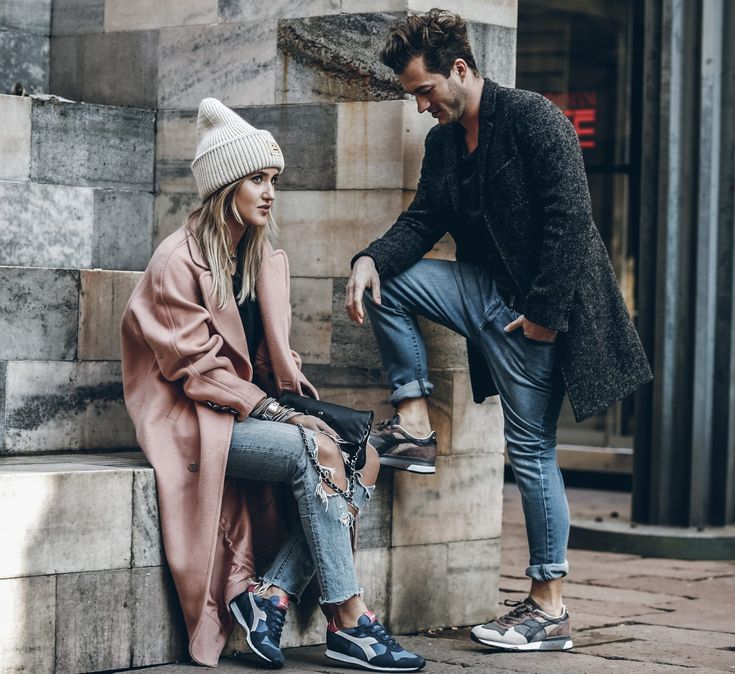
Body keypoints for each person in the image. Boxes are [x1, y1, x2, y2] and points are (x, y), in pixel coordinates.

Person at [345, 9, 652, 653]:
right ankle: (414, 422)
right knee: (386, 282)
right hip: (478, 292)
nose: (422, 107)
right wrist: (369, 258)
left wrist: (544, 316)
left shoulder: (534, 118)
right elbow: (423, 219)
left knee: (532, 451)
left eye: (425, 91)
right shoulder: (443, 144)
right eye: (414, 96)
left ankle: (548, 605)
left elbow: (571, 219)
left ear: (460, 69)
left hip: (533, 314)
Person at [121, 98, 425, 672]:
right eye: (256, 179)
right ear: (225, 187)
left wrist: (293, 397)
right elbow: (200, 372)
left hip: (246, 411)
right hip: (193, 421)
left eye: (273, 180)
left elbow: (267, 360)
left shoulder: (257, 259)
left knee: (362, 456)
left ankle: (272, 593)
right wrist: (285, 416)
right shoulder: (175, 264)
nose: (269, 193)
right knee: (317, 450)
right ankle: (349, 619)